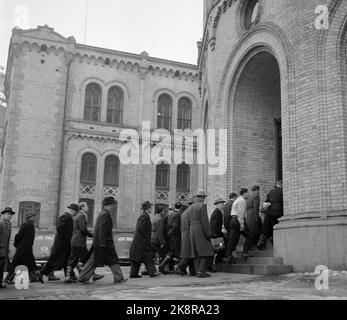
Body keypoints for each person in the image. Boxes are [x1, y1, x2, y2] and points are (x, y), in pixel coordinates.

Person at [79, 197, 127, 284]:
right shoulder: (106, 214)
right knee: (110, 260)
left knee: (96, 260)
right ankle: (118, 278)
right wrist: (103, 243)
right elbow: (102, 229)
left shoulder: (102, 213)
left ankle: (83, 277)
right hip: (104, 243)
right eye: (113, 204)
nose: (114, 206)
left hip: (101, 242)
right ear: (110, 205)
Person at [37, 204, 77, 283]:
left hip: (65, 244)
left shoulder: (68, 218)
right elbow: (59, 228)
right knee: (53, 261)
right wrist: (64, 238)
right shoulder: (65, 217)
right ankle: (41, 273)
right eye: (75, 212)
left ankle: (69, 276)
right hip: (61, 244)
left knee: (66, 260)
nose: (75, 214)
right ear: (72, 210)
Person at [65, 202, 102, 283]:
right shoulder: (81, 216)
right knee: (87, 259)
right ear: (82, 208)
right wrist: (93, 235)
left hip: (75, 241)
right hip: (79, 242)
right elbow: (83, 229)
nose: (88, 208)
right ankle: (92, 275)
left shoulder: (77, 216)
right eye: (86, 206)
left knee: (72, 259)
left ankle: (68, 277)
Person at [5, 211, 38, 284]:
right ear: (29, 217)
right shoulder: (25, 225)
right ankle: (8, 278)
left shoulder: (31, 225)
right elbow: (18, 235)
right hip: (22, 248)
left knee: (31, 263)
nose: (35, 217)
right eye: (33, 216)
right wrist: (17, 245)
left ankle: (33, 277)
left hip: (28, 248)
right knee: (16, 263)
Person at [129, 201, 160, 279]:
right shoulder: (144, 216)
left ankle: (133, 274)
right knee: (147, 257)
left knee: (137, 259)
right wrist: (146, 237)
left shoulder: (144, 215)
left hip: (139, 242)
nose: (151, 209)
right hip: (142, 242)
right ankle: (152, 272)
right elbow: (140, 228)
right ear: (147, 208)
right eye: (150, 207)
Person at [188, 190, 215, 278]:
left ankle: (197, 271)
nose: (204, 199)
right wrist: (209, 234)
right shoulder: (202, 206)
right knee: (206, 251)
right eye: (203, 197)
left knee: (196, 252)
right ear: (201, 197)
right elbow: (205, 221)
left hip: (192, 229)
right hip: (199, 229)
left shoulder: (191, 207)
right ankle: (201, 271)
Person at [224, 188, 250, 263]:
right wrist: (242, 224)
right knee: (250, 236)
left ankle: (228, 256)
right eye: (247, 193)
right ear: (244, 193)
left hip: (233, 220)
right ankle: (245, 252)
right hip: (238, 220)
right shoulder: (242, 201)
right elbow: (240, 213)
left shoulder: (237, 200)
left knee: (233, 239)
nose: (248, 194)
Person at [257, 181, 283, 250]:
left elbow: (266, 201)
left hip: (271, 212)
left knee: (270, 226)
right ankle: (274, 240)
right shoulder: (283, 191)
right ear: (281, 185)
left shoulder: (271, 192)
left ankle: (263, 241)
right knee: (277, 226)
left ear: (276, 185)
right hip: (280, 211)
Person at [159, 202, 182, 274]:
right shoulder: (178, 215)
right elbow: (177, 226)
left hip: (169, 234)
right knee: (177, 251)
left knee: (172, 251)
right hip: (175, 234)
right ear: (180, 208)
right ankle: (177, 269)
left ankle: (163, 264)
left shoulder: (169, 215)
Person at [175, 197, 196, 276]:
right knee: (190, 253)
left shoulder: (184, 213)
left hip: (184, 235)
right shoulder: (190, 212)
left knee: (189, 254)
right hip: (189, 235)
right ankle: (179, 266)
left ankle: (192, 271)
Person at [0, 207, 15, 289]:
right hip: (0, 249)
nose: (9, 216)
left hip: (4, 250)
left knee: (1, 267)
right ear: (3, 214)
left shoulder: (8, 224)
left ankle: (0, 282)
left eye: (10, 214)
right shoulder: (1, 223)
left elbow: (7, 238)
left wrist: (7, 249)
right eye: (8, 214)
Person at [210, 198, 226, 266]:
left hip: (217, 233)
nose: (222, 204)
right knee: (219, 247)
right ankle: (218, 260)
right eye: (221, 203)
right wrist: (215, 234)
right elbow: (214, 223)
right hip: (216, 234)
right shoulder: (217, 212)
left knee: (220, 247)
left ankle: (219, 260)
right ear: (217, 204)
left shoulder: (218, 211)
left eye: (223, 203)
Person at [244, 186, 262, 252]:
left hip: (248, 215)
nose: (259, 192)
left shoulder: (248, 197)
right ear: (256, 190)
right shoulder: (256, 196)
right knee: (256, 230)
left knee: (250, 230)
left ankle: (250, 246)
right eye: (258, 190)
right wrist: (256, 218)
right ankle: (252, 245)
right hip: (253, 215)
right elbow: (256, 208)